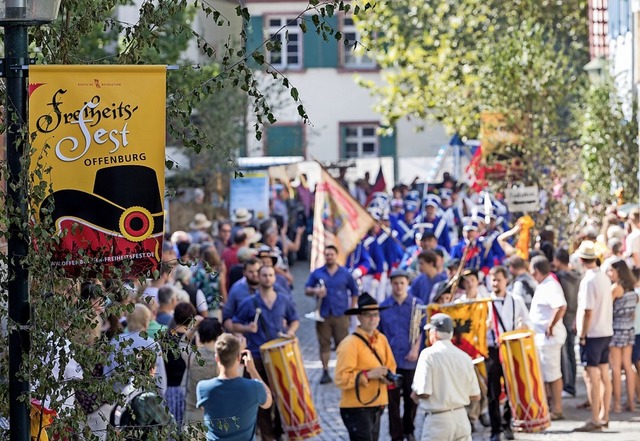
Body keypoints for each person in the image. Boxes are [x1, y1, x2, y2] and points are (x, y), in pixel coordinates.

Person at [231, 265, 299, 441]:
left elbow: (295, 320)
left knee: (281, 396)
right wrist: (247, 328)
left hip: (278, 357)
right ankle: (267, 436)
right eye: (264, 275)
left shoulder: (283, 300)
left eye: (270, 275)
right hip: (256, 358)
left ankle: (279, 432)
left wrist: (290, 332)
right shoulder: (249, 303)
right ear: (259, 278)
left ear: (274, 278)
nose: (268, 278)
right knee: (261, 400)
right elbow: (233, 324)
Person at [335, 293, 397, 441]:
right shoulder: (349, 344)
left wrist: (388, 378)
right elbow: (340, 378)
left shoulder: (381, 339)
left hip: (377, 403)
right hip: (356, 407)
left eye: (375, 315)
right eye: (367, 315)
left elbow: (391, 366)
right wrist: (368, 375)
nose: (372, 319)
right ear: (359, 317)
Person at [411, 313, 481, 441]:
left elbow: (424, 392)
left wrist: (415, 394)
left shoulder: (428, 354)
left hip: (438, 420)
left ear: (435, 333)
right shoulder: (464, 357)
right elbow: (475, 395)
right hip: (461, 418)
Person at [196, 333, 272, 440]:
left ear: (217, 358)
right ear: (239, 357)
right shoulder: (254, 387)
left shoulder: (203, 388)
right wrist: (252, 370)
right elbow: (268, 401)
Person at [486, 265, 531, 441]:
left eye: (499, 280)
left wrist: (521, 328)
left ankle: (508, 424)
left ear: (506, 281)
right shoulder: (485, 303)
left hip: (511, 348)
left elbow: (527, 322)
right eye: (493, 280)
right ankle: (495, 429)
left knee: (512, 388)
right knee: (493, 391)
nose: (496, 283)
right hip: (492, 349)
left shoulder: (515, 300)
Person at [379, 270, 424, 441]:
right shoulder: (384, 307)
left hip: (411, 361)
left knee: (412, 399)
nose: (398, 287)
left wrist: (415, 349)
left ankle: (409, 429)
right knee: (393, 402)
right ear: (391, 284)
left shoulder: (416, 305)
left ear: (407, 284)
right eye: (395, 283)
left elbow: (422, 330)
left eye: (402, 283)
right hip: (391, 362)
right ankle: (396, 435)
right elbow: (380, 334)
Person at [305, 245, 360, 384]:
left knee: (343, 344)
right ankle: (325, 372)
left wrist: (352, 308)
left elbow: (354, 291)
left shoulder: (345, 273)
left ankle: (343, 370)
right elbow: (307, 289)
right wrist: (316, 291)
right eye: (327, 254)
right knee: (324, 344)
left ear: (336, 256)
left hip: (341, 314)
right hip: (323, 314)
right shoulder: (317, 273)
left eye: (331, 254)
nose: (329, 257)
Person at [574, 241, 613, 432]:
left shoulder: (590, 280)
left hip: (594, 333)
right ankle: (603, 416)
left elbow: (587, 311)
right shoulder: (604, 277)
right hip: (605, 330)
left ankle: (596, 418)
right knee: (603, 374)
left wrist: (582, 335)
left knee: (591, 376)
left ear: (582, 259)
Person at [529, 255, 567, 420]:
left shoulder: (550, 285)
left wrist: (550, 325)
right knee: (546, 376)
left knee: (553, 375)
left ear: (536, 271)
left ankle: (557, 409)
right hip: (542, 338)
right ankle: (550, 407)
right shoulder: (545, 284)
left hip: (549, 339)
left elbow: (560, 306)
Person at [607, 259, 638, 413]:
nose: (609, 274)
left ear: (619, 271)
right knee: (628, 365)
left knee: (616, 368)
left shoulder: (616, 288)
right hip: (629, 329)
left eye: (611, 270)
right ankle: (631, 402)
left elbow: (606, 309)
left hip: (617, 330)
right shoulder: (633, 290)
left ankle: (617, 404)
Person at [183, 318, 224, 427]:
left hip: (192, 412)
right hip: (215, 415)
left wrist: (194, 325)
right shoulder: (222, 360)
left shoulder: (192, 355)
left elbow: (182, 343)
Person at [553, 248, 581, 398]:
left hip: (565, 318)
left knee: (566, 354)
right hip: (575, 317)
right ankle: (571, 385)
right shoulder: (577, 276)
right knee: (570, 353)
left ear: (557, 260)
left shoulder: (560, 278)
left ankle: (568, 385)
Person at [223, 258, 261, 331]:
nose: (255, 274)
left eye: (257, 271)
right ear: (244, 272)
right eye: (251, 272)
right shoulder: (236, 289)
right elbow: (227, 317)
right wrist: (237, 333)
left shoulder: (269, 287)